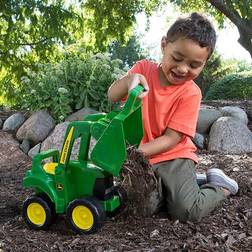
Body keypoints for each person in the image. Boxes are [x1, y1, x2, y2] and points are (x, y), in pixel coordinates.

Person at [107, 12, 238, 221]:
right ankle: (187, 185)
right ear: (164, 45)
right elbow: (112, 95)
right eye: (176, 58)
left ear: (204, 63)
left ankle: (218, 187)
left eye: (194, 65)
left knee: (185, 211)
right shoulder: (142, 71)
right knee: (139, 208)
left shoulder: (190, 93)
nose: (183, 68)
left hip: (173, 157)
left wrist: (134, 155)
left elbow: (172, 139)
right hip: (143, 159)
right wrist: (128, 81)